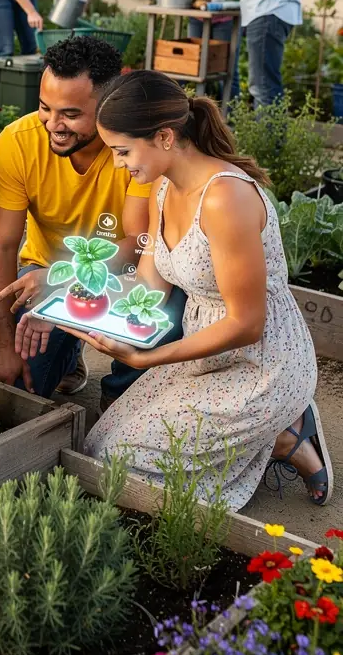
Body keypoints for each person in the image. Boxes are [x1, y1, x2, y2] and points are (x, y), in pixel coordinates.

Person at [80, 71, 331, 509]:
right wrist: (79, 310)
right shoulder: (162, 187)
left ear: (162, 137)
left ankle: (286, 431)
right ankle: (273, 434)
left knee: (116, 462)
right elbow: (149, 284)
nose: (118, 164)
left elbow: (247, 324)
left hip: (263, 363)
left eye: (122, 151)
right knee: (96, 445)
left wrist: (148, 357)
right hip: (208, 353)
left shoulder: (224, 199)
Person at [0, 35, 185, 403]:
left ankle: (120, 402)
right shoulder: (16, 142)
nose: (53, 125)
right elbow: (1, 244)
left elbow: (139, 243)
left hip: (125, 277)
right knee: (9, 388)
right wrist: (1, 338)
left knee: (162, 317)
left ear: (108, 104)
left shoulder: (134, 149)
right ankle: (68, 353)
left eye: (71, 114)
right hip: (40, 275)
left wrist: (66, 279)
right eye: (45, 107)